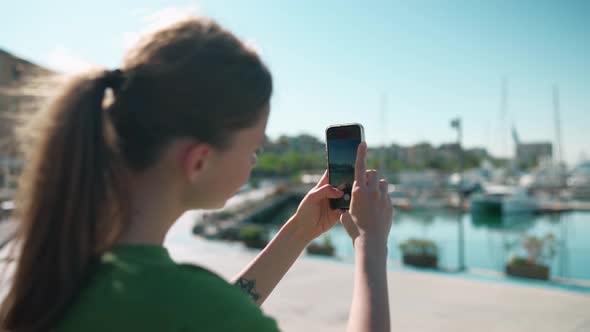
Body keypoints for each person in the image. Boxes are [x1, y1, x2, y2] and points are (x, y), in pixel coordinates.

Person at [0, 17, 393, 331]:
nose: (255, 162)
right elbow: (213, 315)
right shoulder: (197, 307)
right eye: (253, 148)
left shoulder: (60, 277)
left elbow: (209, 311)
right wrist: (370, 247)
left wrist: (298, 232)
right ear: (200, 161)